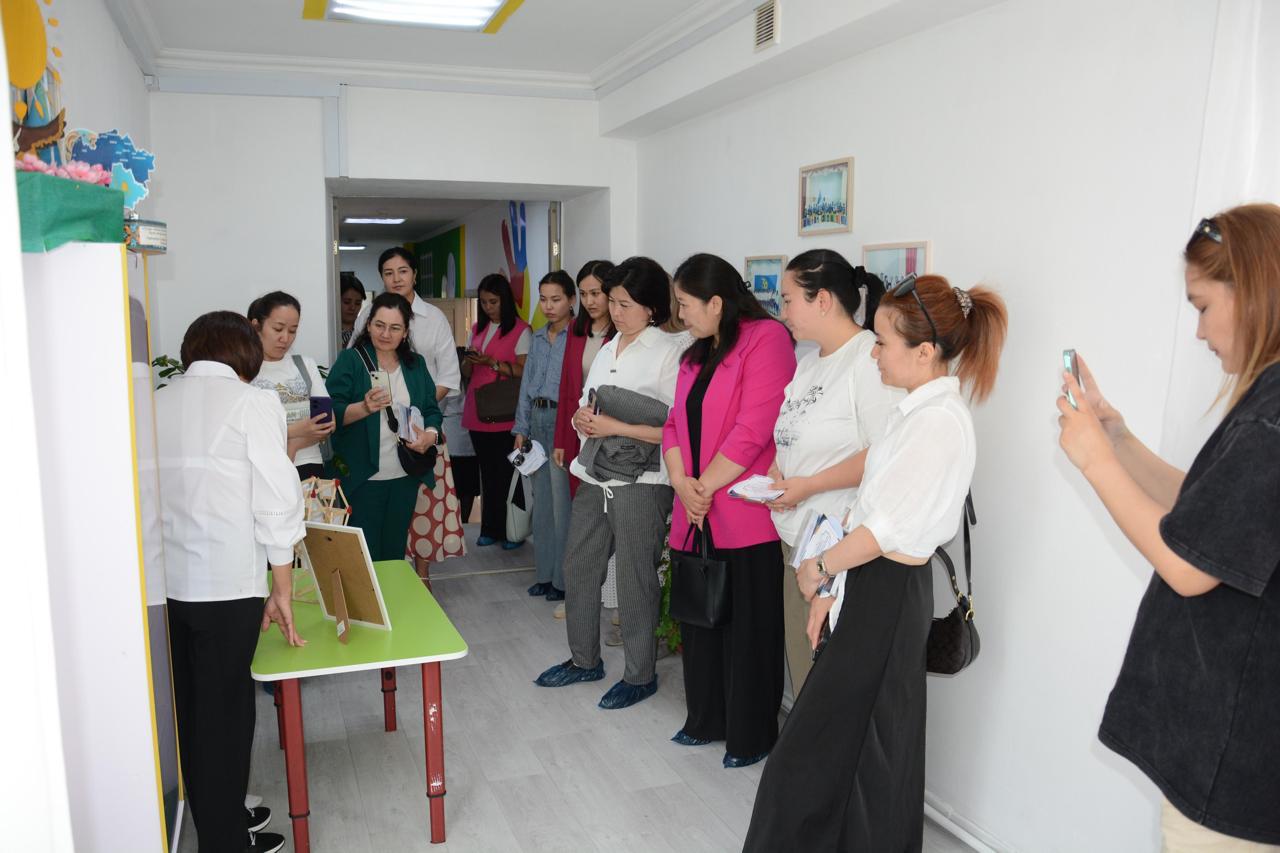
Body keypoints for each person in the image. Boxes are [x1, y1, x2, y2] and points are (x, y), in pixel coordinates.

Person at [744, 273, 1007, 851]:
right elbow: (869, 508)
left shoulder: (938, 423)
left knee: (834, 748)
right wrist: (832, 589)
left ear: (925, 351)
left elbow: (883, 529)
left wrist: (819, 569)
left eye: (883, 342)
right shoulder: (912, 413)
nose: (874, 353)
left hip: (888, 589)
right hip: (872, 584)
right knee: (859, 747)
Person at [1057, 205, 1280, 850]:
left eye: (1203, 306)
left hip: (1233, 763)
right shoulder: (1267, 404)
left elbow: (1188, 567)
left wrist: (1095, 463)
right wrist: (1118, 439)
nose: (1200, 331)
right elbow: (1210, 514)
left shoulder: (1271, 419)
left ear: (1254, 291)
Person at [156, 311, 305, 853]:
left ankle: (222, 817)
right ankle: (224, 841)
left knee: (194, 713)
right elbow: (276, 500)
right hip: (228, 585)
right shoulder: (253, 403)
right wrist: (283, 588)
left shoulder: (156, 402)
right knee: (228, 715)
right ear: (246, 353)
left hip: (168, 586)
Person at [534, 257, 690, 710]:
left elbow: (676, 428)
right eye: (612, 301)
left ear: (652, 307)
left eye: (625, 304)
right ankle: (584, 660)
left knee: (635, 578)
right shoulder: (608, 347)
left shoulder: (671, 351)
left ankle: (640, 675)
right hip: (593, 474)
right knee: (579, 567)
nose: (614, 312)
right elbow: (589, 403)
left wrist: (615, 427)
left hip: (643, 481)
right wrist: (582, 419)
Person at [662, 253, 795, 767]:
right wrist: (683, 484)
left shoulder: (767, 339)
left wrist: (703, 487)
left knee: (749, 630)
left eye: (685, 304)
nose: (680, 314)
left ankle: (750, 735)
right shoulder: (695, 352)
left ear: (716, 302)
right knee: (701, 621)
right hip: (694, 509)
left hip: (741, 512)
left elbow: (754, 428)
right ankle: (705, 719)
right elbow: (673, 424)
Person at [766, 250, 903, 696]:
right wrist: (777, 473)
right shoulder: (809, 363)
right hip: (797, 541)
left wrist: (809, 485)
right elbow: (791, 437)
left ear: (822, 300)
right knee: (804, 666)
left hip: (838, 547)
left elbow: (883, 454)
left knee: (829, 682)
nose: (782, 312)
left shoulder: (869, 359)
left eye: (789, 300)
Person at [326, 292, 444, 562]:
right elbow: (331, 413)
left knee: (394, 552)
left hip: (405, 474)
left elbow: (431, 410)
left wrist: (430, 435)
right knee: (365, 556)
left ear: (405, 332)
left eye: (395, 328)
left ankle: (391, 592)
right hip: (363, 477)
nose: (386, 334)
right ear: (368, 325)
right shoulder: (351, 360)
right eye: (379, 325)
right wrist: (364, 407)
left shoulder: (415, 364)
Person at [553, 259, 616, 624]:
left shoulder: (621, 334)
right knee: (585, 524)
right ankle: (580, 597)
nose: (590, 301)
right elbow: (567, 390)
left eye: (597, 293)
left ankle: (615, 601)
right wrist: (562, 440)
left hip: (616, 439)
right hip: (581, 439)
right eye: (585, 294)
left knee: (616, 526)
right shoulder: (577, 333)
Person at [513, 270, 576, 602]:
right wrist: (520, 428)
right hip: (537, 420)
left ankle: (562, 581)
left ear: (571, 300)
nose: (548, 306)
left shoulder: (578, 337)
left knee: (562, 505)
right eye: (543, 299)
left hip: (564, 421)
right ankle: (544, 574)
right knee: (542, 505)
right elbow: (526, 385)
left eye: (556, 299)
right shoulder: (537, 338)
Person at [461, 273, 532, 549]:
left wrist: (492, 363)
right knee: (487, 474)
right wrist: (470, 360)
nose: (488, 307)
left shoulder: (521, 331)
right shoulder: (477, 328)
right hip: (478, 411)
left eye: (493, 301)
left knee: (508, 474)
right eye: (484, 302)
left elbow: (524, 371)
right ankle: (489, 527)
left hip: (506, 413)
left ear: (505, 300)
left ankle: (511, 531)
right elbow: (466, 372)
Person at [347, 248, 461, 402]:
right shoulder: (368, 314)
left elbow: (448, 376)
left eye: (403, 271)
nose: (396, 279)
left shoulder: (435, 318)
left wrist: (423, 409)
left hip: (425, 410)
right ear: (382, 277)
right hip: (375, 408)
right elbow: (353, 361)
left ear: (414, 274)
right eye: (389, 273)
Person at [247, 291, 336, 479]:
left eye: (292, 330)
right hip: (263, 468)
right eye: (278, 329)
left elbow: (327, 423)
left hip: (310, 465)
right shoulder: (244, 370)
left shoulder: (305, 365)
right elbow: (247, 432)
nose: (285, 338)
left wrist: (291, 440)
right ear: (256, 326)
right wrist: (297, 431)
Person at [339, 273, 365, 349]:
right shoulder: (326, 332)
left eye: (358, 303)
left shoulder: (366, 330)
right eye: (347, 302)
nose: (352, 307)